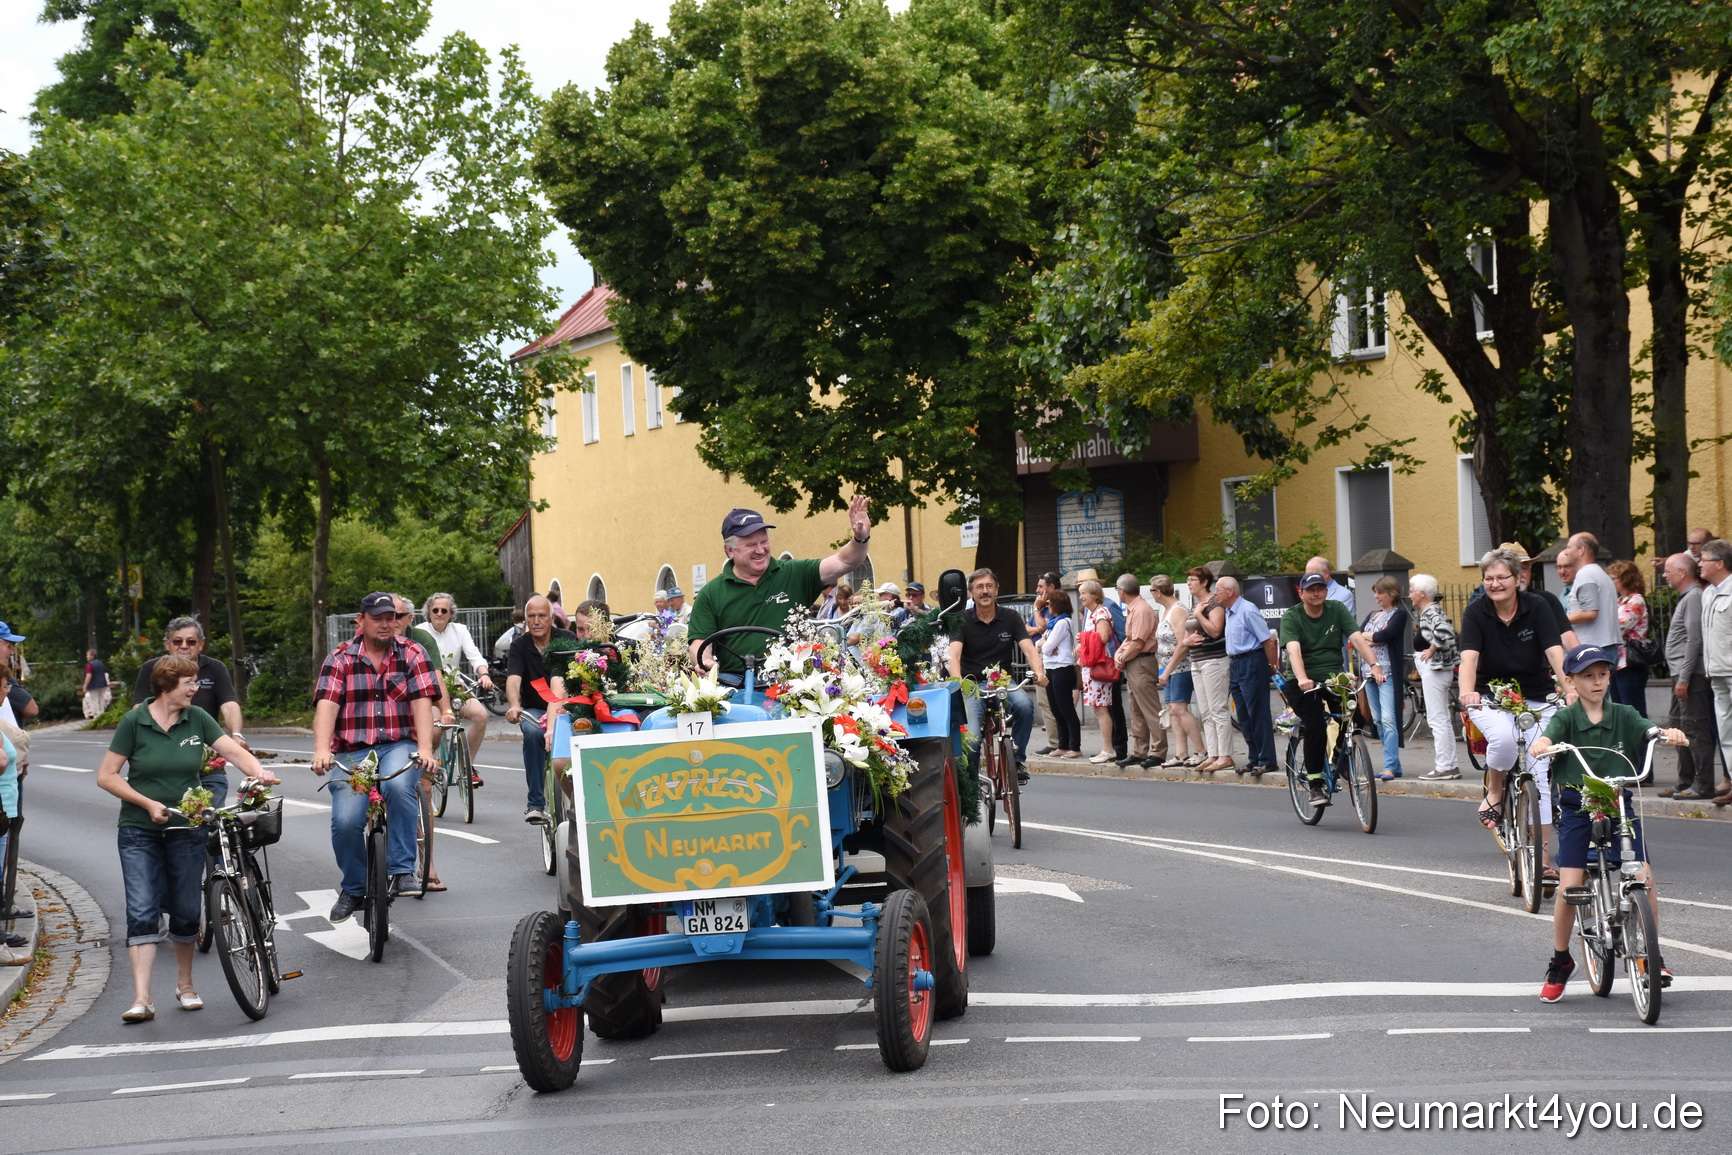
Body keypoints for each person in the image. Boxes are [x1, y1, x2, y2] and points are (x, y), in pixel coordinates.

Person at [98, 654, 277, 1020]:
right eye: (188, 683)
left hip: (185, 827)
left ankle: (185, 984)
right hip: (139, 830)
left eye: (196, 682)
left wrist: (259, 771)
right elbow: (107, 775)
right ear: (166, 685)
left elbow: (230, 750)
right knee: (142, 910)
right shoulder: (135, 721)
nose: (196, 689)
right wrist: (147, 803)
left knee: (185, 911)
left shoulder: (197, 718)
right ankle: (142, 998)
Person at [1529, 644, 1683, 1002]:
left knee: (1643, 874)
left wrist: (1665, 733)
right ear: (1571, 681)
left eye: (1602, 674)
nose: (1597, 682)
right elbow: (1550, 735)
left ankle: (1651, 956)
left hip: (1618, 803)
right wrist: (1545, 744)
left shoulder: (1624, 714)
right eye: (1587, 676)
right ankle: (1561, 959)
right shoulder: (1567, 718)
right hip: (1576, 805)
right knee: (1570, 886)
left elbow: (1648, 730)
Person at [310, 592, 440, 920]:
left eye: (391, 618)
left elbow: (422, 703)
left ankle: (403, 871)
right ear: (361, 620)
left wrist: (424, 749)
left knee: (398, 787)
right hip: (355, 754)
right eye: (378, 618)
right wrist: (322, 749)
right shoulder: (340, 658)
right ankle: (354, 888)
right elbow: (326, 706)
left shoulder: (412, 653)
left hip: (398, 745)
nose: (386, 624)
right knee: (347, 820)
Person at [1459, 547, 1568, 863]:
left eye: (1502, 577)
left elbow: (1554, 652)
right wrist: (1467, 692)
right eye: (1488, 578)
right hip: (1489, 698)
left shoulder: (1537, 607)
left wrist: (1569, 688)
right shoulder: (1476, 612)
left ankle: (1544, 862)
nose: (1495, 583)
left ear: (1518, 579)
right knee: (1504, 740)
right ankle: (1495, 790)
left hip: (1537, 697)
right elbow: (1469, 658)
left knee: (1540, 770)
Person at [689, 501, 874, 678]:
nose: (760, 550)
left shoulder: (795, 573)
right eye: (751, 545)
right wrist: (704, 661)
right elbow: (700, 641)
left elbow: (845, 561)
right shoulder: (710, 593)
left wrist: (860, 538)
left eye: (764, 541)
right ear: (729, 551)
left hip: (791, 681)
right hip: (735, 683)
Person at [1279, 573, 1385, 806]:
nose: (1316, 593)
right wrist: (1303, 678)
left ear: (1326, 591)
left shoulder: (1336, 609)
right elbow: (1294, 651)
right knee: (1315, 723)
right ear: (1302, 593)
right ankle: (1316, 784)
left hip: (1332, 677)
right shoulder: (1292, 616)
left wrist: (1375, 665)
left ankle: (1340, 758)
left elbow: (1357, 638)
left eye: (1320, 588)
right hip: (1302, 681)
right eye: (1311, 589)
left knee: (1356, 717)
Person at [131, 617, 244, 804]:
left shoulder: (215, 668)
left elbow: (229, 704)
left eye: (191, 641)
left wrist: (237, 735)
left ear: (201, 644)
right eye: (177, 641)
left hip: (206, 761)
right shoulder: (151, 669)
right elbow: (138, 708)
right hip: (164, 761)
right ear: (168, 644)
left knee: (210, 819)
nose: (184, 646)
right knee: (169, 821)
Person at [951, 568, 1048, 776]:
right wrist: (957, 680)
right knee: (973, 739)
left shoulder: (1011, 617)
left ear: (996, 590)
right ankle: (971, 784)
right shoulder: (961, 620)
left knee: (1024, 706)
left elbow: (1029, 649)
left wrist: (1039, 672)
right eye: (979, 587)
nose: (984, 591)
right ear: (971, 592)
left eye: (989, 586)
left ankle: (1018, 759)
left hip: (1002, 682)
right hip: (972, 684)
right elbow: (954, 655)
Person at [506, 595, 577, 823]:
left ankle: (579, 797)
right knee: (534, 734)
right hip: (535, 710)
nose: (536, 621)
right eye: (531, 616)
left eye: (542, 616)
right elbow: (514, 679)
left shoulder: (567, 639)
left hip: (565, 707)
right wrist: (515, 705)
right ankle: (535, 804)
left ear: (552, 618)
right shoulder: (519, 645)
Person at [1659, 553, 1716, 799]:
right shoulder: (1689, 597)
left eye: (1667, 570)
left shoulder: (1693, 597)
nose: (1664, 575)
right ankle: (1685, 782)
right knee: (1678, 727)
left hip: (1690, 675)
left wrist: (1684, 677)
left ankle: (1702, 785)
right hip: (1682, 673)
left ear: (1682, 573)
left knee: (1694, 728)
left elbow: (1695, 640)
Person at [420, 593, 493, 775]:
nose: (439, 614)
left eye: (444, 610)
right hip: (431, 690)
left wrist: (484, 675)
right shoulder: (419, 631)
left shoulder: (460, 630)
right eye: (435, 610)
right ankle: (428, 766)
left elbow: (474, 655)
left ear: (451, 613)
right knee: (436, 726)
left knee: (481, 715)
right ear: (428, 612)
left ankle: (467, 765)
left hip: (455, 687)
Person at [1167, 568, 1232, 771]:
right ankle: (1212, 754)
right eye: (1187, 579)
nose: (1188, 583)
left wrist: (1197, 615)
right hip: (1197, 660)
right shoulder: (1197, 604)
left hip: (1214, 660)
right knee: (1205, 711)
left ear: (1204, 582)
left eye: (1192, 579)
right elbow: (1194, 634)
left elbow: (1215, 630)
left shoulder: (1214, 603)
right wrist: (1187, 640)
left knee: (1218, 709)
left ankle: (1225, 755)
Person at [1219, 576, 1279, 777]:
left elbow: (1268, 640)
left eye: (1218, 590)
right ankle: (1254, 758)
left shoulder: (1247, 609)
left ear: (1230, 591)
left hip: (1252, 661)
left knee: (1258, 713)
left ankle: (1267, 760)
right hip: (1236, 663)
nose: (1215, 593)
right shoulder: (1229, 611)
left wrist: (1270, 666)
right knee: (1243, 716)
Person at [1409, 573, 1461, 781]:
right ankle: (1450, 765)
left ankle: (1444, 767)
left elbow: (1445, 632)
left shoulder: (1431, 612)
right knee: (1442, 719)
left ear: (1422, 594)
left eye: (1412, 591)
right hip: (1438, 670)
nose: (1410, 595)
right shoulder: (1431, 611)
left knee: (1437, 719)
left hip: (1435, 670)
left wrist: (1430, 650)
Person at [1113, 574, 1167, 768]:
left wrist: (1121, 658)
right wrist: (1121, 655)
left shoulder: (1141, 610)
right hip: (1135, 661)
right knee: (1137, 709)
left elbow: (1137, 643)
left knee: (1150, 709)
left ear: (1122, 591)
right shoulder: (1135, 608)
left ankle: (1158, 752)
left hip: (1141, 662)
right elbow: (1130, 640)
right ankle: (1139, 751)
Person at [1152, 575, 1204, 769]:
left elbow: (1183, 644)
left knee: (1180, 708)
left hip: (1181, 666)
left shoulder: (1177, 610)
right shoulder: (1164, 610)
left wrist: (1168, 670)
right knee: (1172, 710)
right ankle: (1181, 753)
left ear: (1158, 592)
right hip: (1167, 667)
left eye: (1152, 590)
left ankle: (1200, 751)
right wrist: (1163, 669)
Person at [1361, 576, 1409, 780]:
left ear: (1391, 593)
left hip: (1388, 673)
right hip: (1368, 672)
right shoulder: (1372, 615)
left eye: (1380, 592)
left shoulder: (1399, 614)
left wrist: (1367, 638)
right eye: (1375, 592)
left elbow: (1385, 636)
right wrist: (1370, 638)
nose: (1376, 596)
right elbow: (1357, 634)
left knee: (1389, 719)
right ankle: (1394, 765)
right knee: (1379, 720)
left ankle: (1389, 766)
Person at [1699, 538, 1732, 804]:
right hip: (1717, 672)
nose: (1699, 563)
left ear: (1719, 563)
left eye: (1704, 559)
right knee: (1726, 733)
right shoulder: (1708, 593)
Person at [1075, 580, 1117, 765]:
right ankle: (1107, 748)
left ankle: (1108, 749)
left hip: (1098, 664)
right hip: (1091, 664)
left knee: (1101, 708)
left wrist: (1082, 638)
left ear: (1094, 594)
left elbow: (1103, 637)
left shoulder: (1101, 612)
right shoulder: (1093, 613)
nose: (1081, 597)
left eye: (1084, 593)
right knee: (1098, 707)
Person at [1039, 588, 1081, 758]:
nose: (1048, 606)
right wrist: (1044, 645)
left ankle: (1075, 747)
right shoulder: (1053, 623)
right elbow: (1043, 646)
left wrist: (1045, 645)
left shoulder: (1063, 622)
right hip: (1051, 669)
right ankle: (1062, 745)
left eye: (1050, 603)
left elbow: (1047, 647)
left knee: (1066, 709)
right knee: (1056, 709)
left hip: (1062, 669)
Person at [1606, 560, 1651, 718]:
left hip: (1630, 663)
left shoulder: (1636, 600)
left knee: (1633, 710)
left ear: (1626, 578)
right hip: (1617, 663)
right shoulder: (1619, 601)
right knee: (1619, 709)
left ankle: (1642, 743)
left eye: (1614, 578)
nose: (1610, 582)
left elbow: (1619, 626)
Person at [1561, 532, 1619, 655]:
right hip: (1606, 647)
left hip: (1591, 650)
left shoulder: (1585, 575)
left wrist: (1559, 620)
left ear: (1581, 550)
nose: (1566, 552)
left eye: (1569, 547)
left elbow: (1589, 613)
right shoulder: (1601, 574)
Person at [81, 649, 111, 720]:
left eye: (88, 655)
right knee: (101, 699)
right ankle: (102, 714)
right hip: (102, 684)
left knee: (94, 700)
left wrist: (85, 685)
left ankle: (97, 716)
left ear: (92, 655)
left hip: (94, 685)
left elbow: (89, 676)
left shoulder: (89, 665)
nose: (86, 657)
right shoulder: (100, 663)